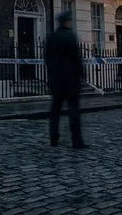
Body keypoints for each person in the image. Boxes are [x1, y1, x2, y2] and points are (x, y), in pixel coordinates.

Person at [44, 10, 87, 149]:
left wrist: (52, 74)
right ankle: (76, 141)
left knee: (55, 112)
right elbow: (76, 57)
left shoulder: (52, 37)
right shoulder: (70, 36)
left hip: (56, 81)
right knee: (73, 111)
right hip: (71, 81)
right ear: (67, 22)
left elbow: (47, 59)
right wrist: (82, 75)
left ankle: (53, 139)